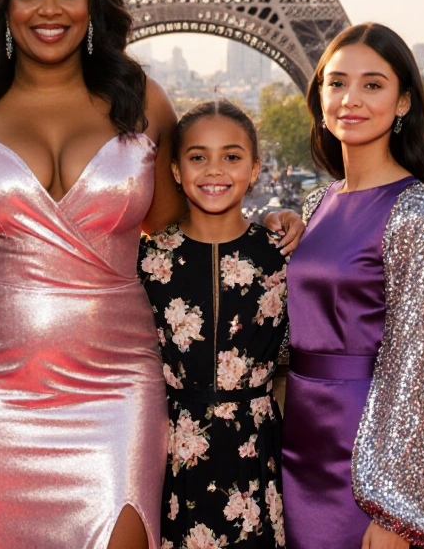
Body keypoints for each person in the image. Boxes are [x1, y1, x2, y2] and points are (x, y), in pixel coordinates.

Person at [0, 0, 303, 549]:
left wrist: (276, 226)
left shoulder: (142, 101)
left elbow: (182, 236)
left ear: (93, 1)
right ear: (1, 3)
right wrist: (4, 293)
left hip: (116, 385)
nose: (49, 8)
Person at [280, 23, 424, 549]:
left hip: (364, 454)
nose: (350, 99)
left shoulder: (418, 213)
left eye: (372, 85)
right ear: (320, 98)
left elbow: (418, 367)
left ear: (403, 102)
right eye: (337, 83)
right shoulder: (317, 203)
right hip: (297, 443)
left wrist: (395, 510)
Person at [138, 102, 289, 548]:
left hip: (255, 451)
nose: (215, 170)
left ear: (255, 168)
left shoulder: (281, 255)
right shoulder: (147, 259)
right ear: (175, 169)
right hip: (173, 451)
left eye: (232, 156)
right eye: (198, 156)